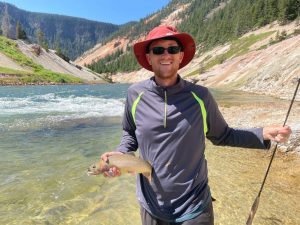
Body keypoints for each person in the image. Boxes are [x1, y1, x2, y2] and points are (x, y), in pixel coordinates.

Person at [100, 25, 291, 225]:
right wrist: (120, 154)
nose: (166, 55)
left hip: (194, 207)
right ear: (148, 57)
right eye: (158, 50)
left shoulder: (200, 97)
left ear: (181, 56)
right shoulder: (134, 94)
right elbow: (130, 134)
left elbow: (223, 135)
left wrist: (263, 134)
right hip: (151, 204)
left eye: (172, 49)